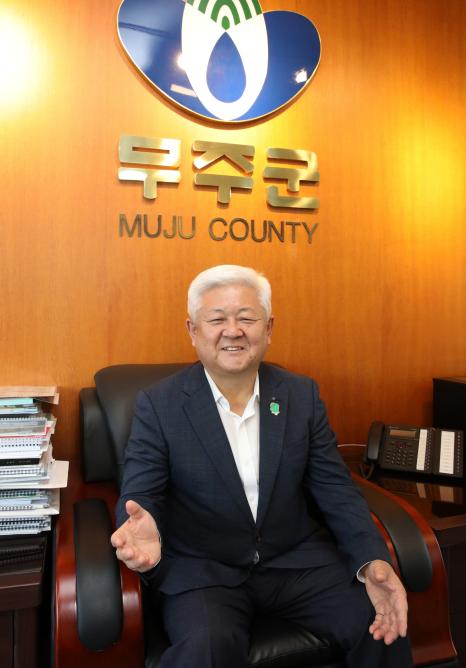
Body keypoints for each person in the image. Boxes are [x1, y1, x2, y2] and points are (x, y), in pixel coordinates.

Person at [111, 264, 413, 668]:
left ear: (268, 329)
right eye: (217, 319)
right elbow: (141, 491)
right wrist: (140, 525)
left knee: (381, 621)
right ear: (193, 330)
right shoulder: (159, 404)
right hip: (204, 569)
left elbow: (336, 489)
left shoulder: (300, 395)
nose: (232, 331)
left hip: (295, 560)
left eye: (246, 318)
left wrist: (372, 559)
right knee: (206, 649)